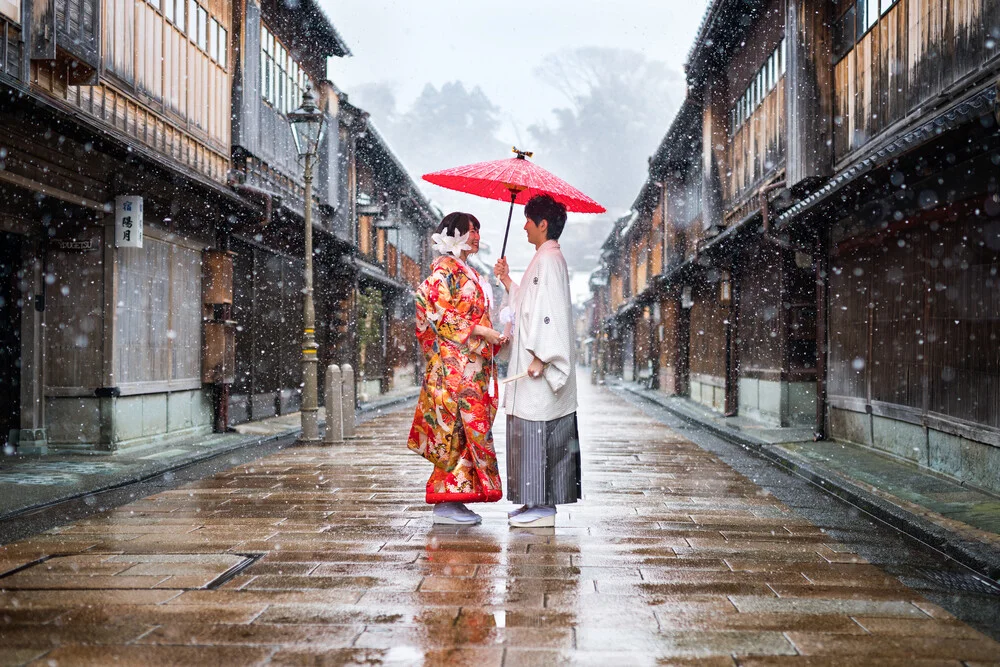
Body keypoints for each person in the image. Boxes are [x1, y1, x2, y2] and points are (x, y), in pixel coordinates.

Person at [408, 212, 507, 525]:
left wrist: (494, 335)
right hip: (454, 366)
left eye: (478, 229)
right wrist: (480, 332)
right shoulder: (445, 268)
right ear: (456, 234)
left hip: (469, 365)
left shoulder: (467, 271)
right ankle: (444, 502)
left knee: (465, 432)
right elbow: (434, 312)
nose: (477, 235)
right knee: (453, 431)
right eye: (471, 229)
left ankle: (457, 498)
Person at [493, 194, 581, 528]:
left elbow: (550, 314)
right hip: (532, 365)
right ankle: (534, 502)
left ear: (543, 224)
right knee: (528, 434)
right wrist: (505, 280)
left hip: (538, 368)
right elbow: (528, 305)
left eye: (529, 219)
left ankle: (543, 506)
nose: (524, 225)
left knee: (539, 434)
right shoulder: (542, 259)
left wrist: (543, 357)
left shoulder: (550, 261)